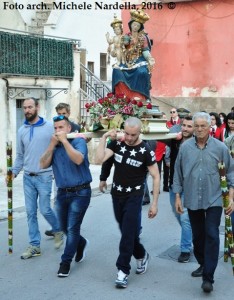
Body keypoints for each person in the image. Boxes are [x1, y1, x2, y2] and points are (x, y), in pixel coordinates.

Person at [173, 112, 234, 293]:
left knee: (212, 234)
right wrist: (177, 196)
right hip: (192, 198)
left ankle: (208, 277)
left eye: (203, 126)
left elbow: (231, 173)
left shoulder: (220, 147)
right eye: (197, 126)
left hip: (214, 198)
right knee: (198, 237)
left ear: (209, 128)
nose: (199, 129)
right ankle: (203, 263)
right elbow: (178, 173)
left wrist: (231, 197)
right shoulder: (185, 148)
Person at [96, 117, 160, 288]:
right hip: (117, 194)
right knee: (127, 232)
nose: (129, 138)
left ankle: (122, 271)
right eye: (127, 133)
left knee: (127, 235)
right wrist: (103, 138)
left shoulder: (146, 150)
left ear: (140, 132)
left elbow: (156, 176)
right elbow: (99, 159)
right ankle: (141, 254)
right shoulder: (117, 144)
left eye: (133, 134)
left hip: (134, 196)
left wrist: (154, 203)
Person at [8, 97, 63, 259]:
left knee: (45, 208)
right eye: (24, 108)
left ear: (37, 107)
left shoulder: (48, 128)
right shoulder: (21, 130)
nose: (27, 110)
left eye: (30, 107)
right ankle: (34, 245)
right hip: (27, 178)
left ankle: (58, 229)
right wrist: (14, 171)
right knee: (30, 212)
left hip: (45, 176)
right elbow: (19, 155)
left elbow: (59, 148)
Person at [40, 115, 92, 277]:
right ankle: (81, 243)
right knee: (63, 227)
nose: (58, 131)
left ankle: (65, 262)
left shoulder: (78, 141)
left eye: (61, 127)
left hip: (81, 192)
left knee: (72, 228)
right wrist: (51, 145)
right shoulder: (53, 145)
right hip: (62, 193)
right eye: (55, 128)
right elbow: (42, 164)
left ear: (68, 128)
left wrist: (64, 141)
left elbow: (78, 159)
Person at [112, 8, 155, 100]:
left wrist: (150, 58)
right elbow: (122, 45)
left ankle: (139, 96)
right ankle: (122, 97)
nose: (135, 27)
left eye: (137, 25)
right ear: (130, 25)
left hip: (139, 60)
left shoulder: (143, 38)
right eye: (134, 25)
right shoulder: (126, 36)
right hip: (126, 61)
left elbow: (145, 51)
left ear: (140, 27)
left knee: (142, 72)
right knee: (117, 71)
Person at [169, 116, 193, 263]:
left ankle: (185, 249)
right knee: (177, 215)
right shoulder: (174, 140)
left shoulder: (197, 144)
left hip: (189, 187)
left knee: (185, 218)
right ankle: (193, 234)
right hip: (174, 185)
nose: (185, 129)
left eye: (189, 126)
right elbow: (157, 136)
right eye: (183, 125)